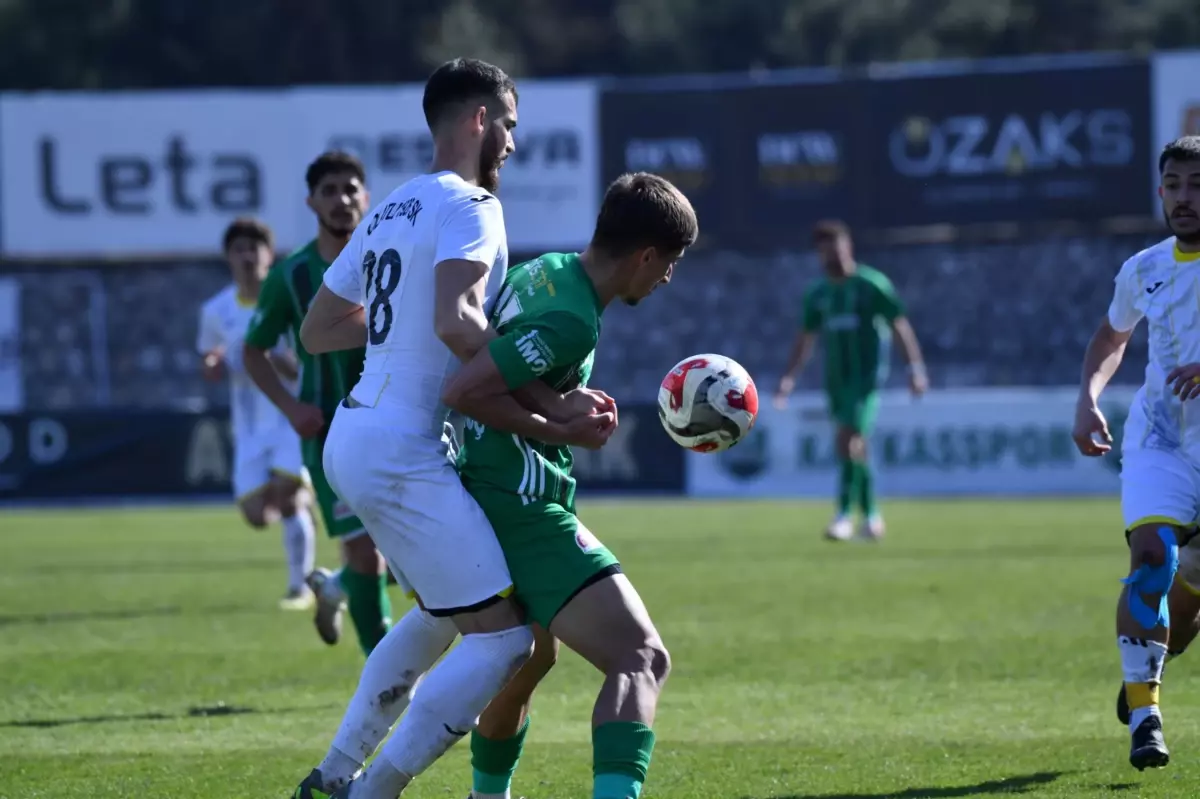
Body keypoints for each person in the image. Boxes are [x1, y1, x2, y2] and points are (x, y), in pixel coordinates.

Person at [289, 57, 615, 799]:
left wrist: (396, 338)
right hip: (402, 445)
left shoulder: (393, 204)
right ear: (478, 120)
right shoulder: (473, 203)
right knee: (505, 639)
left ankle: (334, 775)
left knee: (443, 613)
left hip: (355, 434)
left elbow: (316, 330)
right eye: (508, 125)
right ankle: (369, 793)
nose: (511, 143)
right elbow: (457, 319)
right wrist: (555, 406)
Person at [444, 171, 698, 799]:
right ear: (645, 256)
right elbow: (466, 391)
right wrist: (562, 428)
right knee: (641, 658)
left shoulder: (548, 269)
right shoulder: (572, 318)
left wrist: (562, 401)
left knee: (529, 661)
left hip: (485, 487)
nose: (668, 278)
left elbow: (500, 371)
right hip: (518, 503)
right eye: (669, 263)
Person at [1073, 134, 1200, 771]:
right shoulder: (1146, 267)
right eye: (1175, 185)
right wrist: (1088, 395)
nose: (1185, 197)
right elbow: (1112, 333)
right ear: (1161, 191)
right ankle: (1146, 719)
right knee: (1152, 558)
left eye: (1198, 185)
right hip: (1163, 440)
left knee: (1189, 603)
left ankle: (1148, 670)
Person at [243, 151, 392, 655]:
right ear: (311, 202)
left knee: (409, 552)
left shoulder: (390, 258)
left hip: (398, 422)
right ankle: (390, 684)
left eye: (351, 189)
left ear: (366, 198)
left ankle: (336, 588)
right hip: (330, 434)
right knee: (366, 555)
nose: (342, 199)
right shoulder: (292, 274)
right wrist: (291, 408)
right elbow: (253, 350)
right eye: (329, 190)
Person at [773, 221, 927, 541]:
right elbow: (805, 339)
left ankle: (844, 515)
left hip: (866, 379)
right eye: (827, 251)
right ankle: (872, 518)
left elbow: (898, 325)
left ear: (849, 247)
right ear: (819, 255)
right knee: (854, 447)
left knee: (847, 438)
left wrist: (915, 368)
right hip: (836, 382)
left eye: (839, 248)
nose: (835, 256)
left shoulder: (872, 285)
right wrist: (789, 378)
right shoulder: (818, 294)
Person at [197, 217, 315, 610]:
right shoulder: (215, 310)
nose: (248, 256)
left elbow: (305, 363)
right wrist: (212, 363)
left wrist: (282, 362)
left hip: (289, 415)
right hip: (248, 424)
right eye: (239, 249)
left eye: (255, 248)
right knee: (255, 514)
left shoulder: (287, 302)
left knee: (286, 498)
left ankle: (300, 587)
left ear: (269, 254)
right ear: (228, 257)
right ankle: (303, 507)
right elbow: (210, 358)